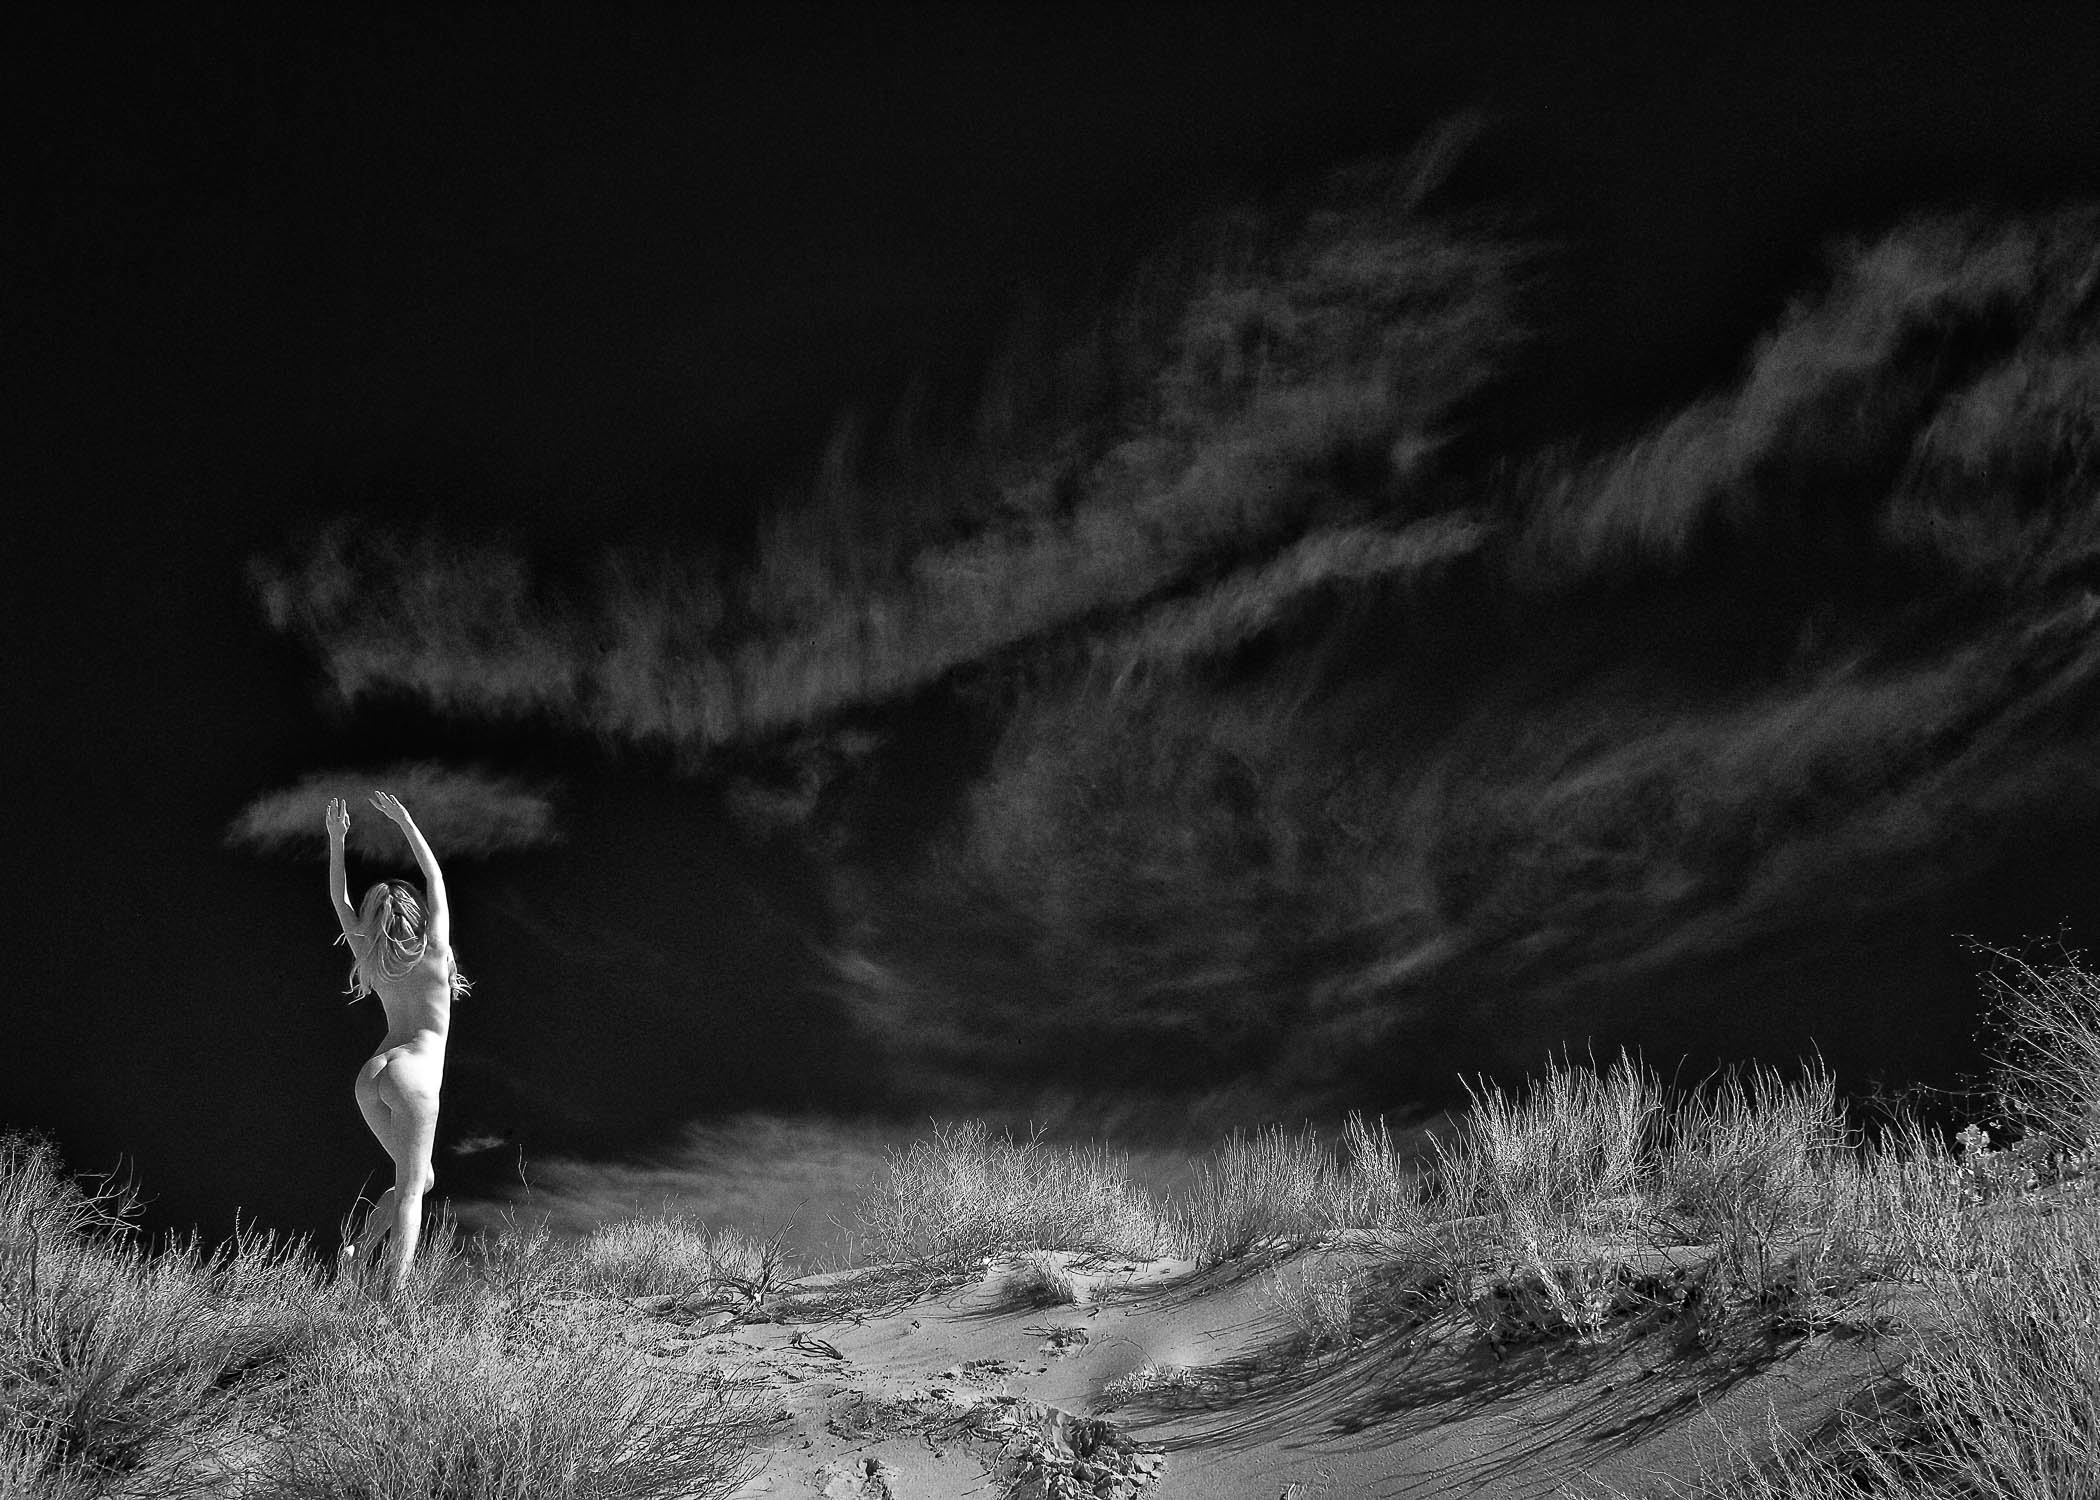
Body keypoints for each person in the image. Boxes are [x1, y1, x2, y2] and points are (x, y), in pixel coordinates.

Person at [325, 790, 468, 1297]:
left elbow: (341, 902)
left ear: (376, 918)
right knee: (411, 1192)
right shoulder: (435, 948)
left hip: (375, 1071)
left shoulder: (372, 954)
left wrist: (338, 842)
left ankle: (358, 1252)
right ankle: (394, 1296)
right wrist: (405, 821)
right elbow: (435, 877)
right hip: (414, 1075)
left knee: (421, 1177)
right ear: (415, 912)